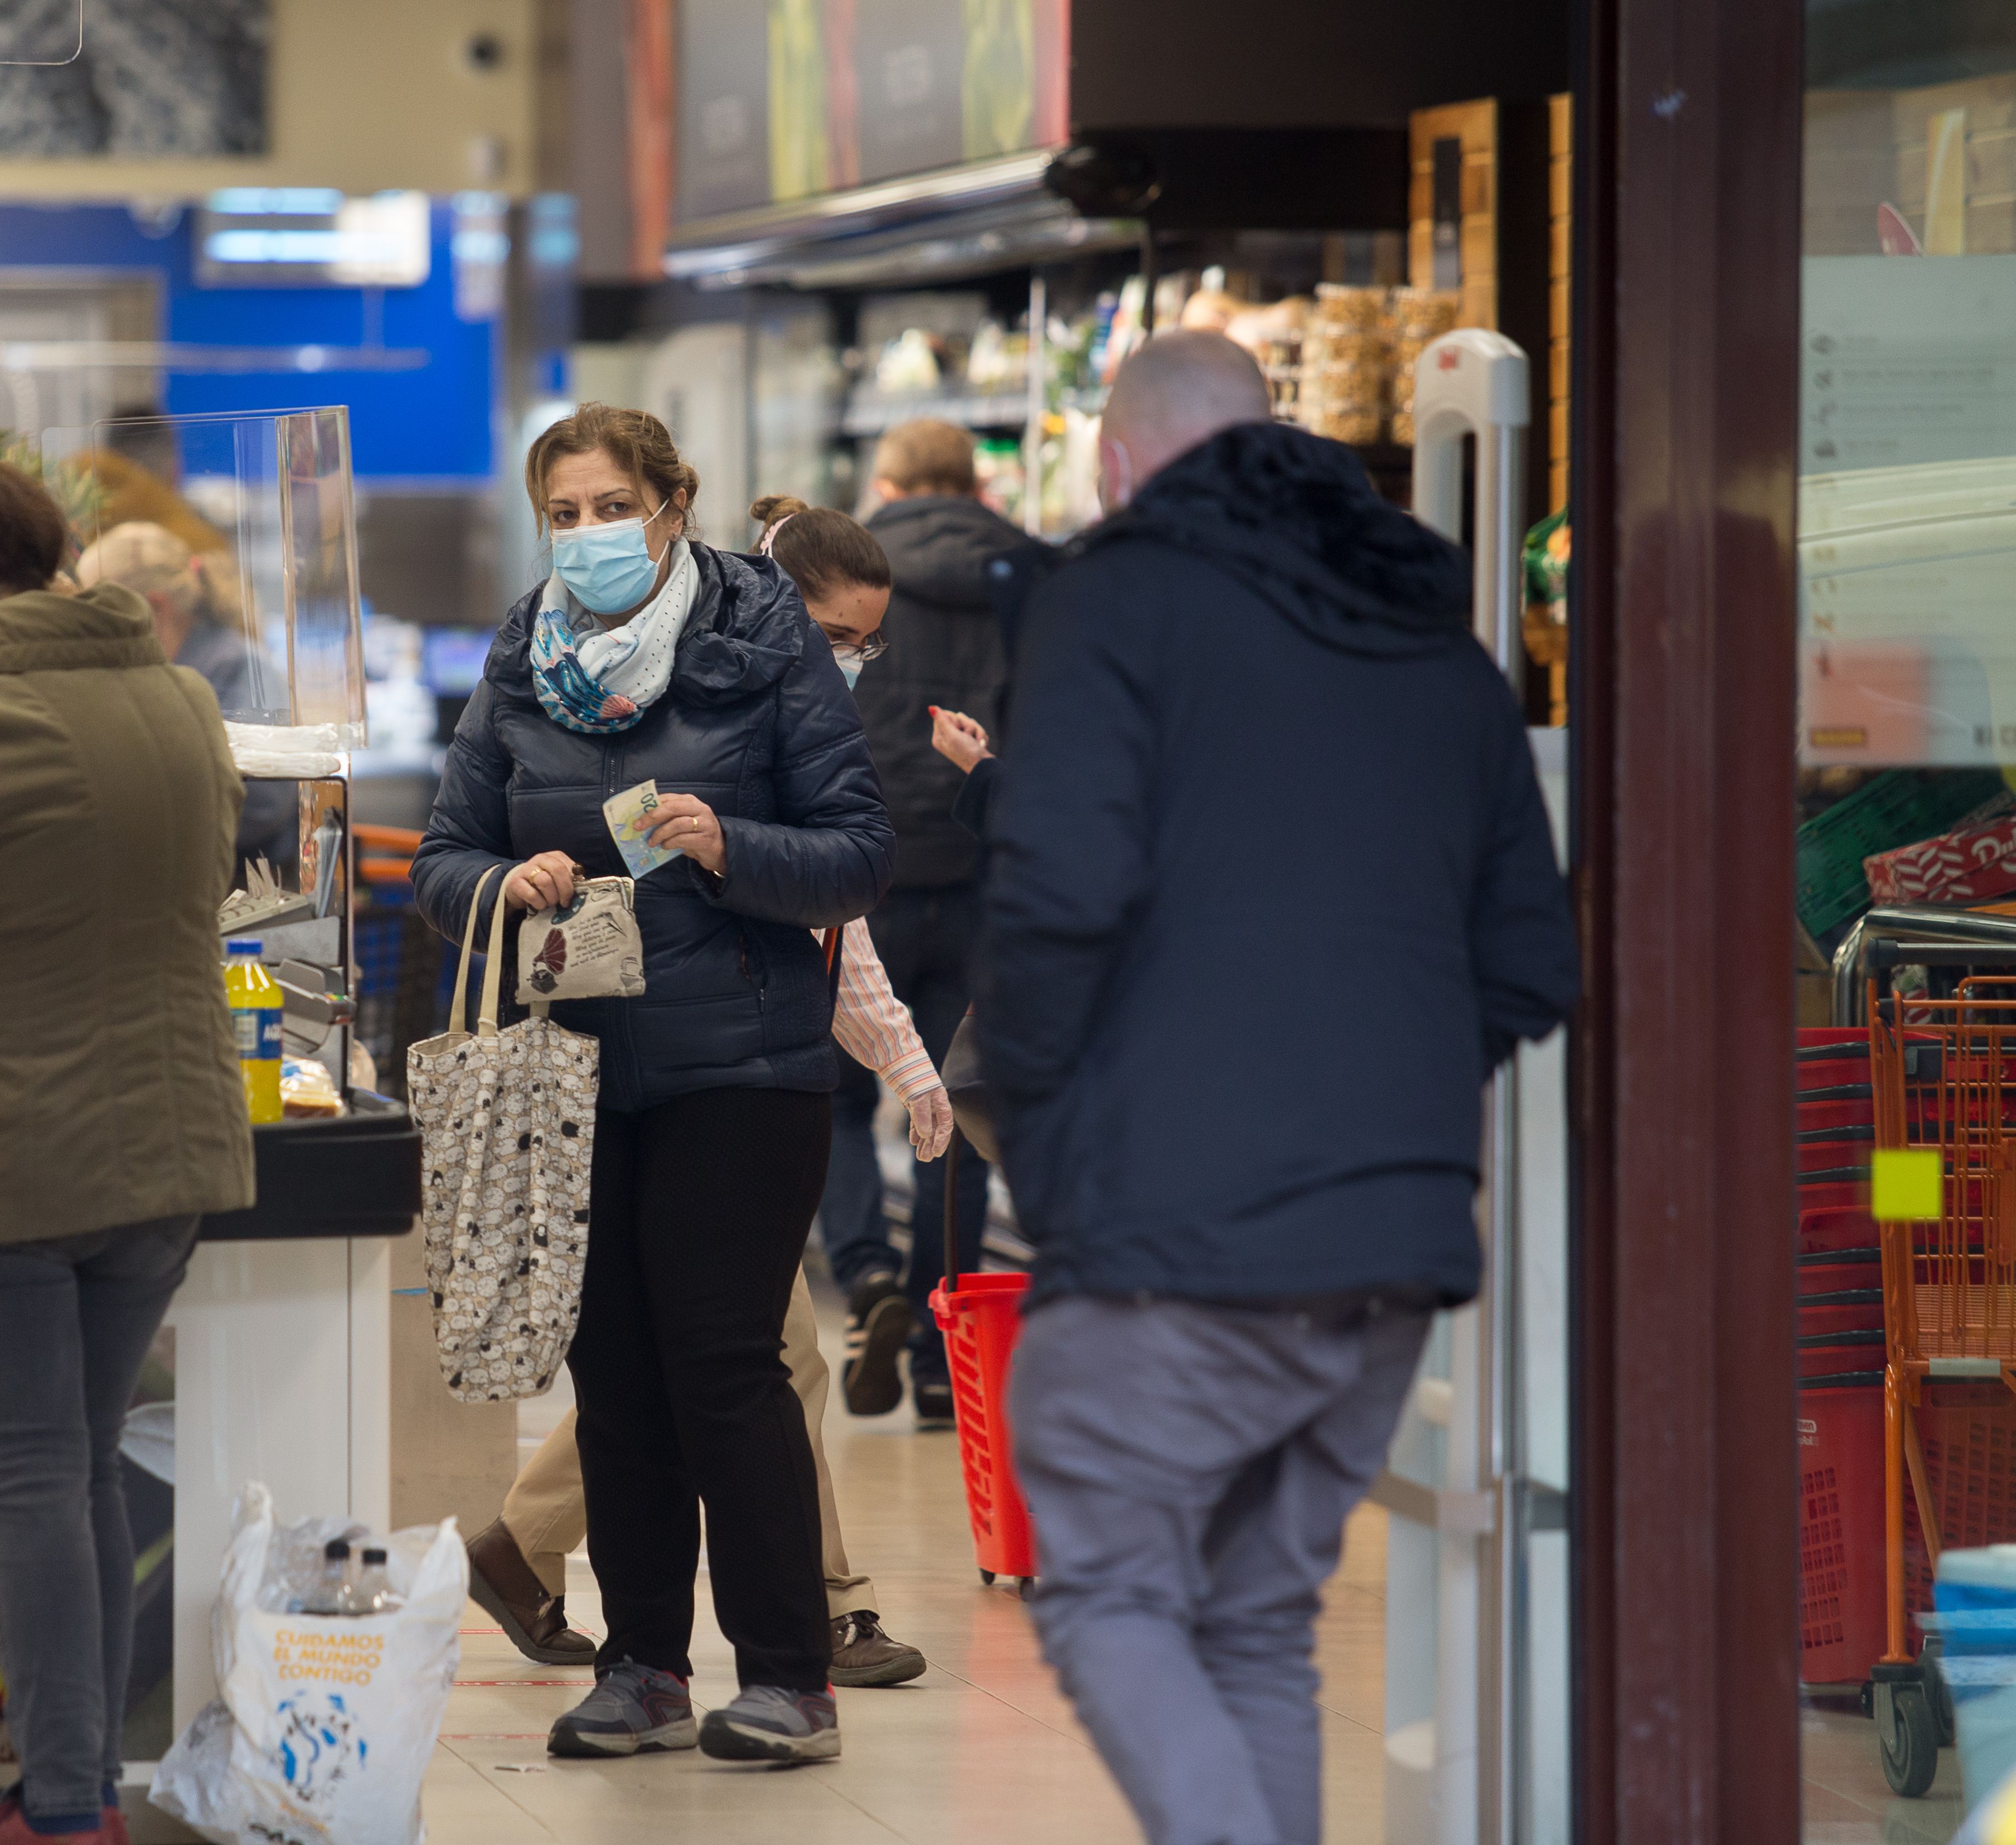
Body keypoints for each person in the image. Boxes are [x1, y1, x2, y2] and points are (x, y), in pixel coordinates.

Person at [980, 330, 1578, 1845]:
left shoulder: (1108, 597)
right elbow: (1528, 965)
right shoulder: (1436, 643)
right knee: (1254, 1621)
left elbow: (1054, 900)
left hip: (1172, 1241)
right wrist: (1378, 1118)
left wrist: (1044, 1156)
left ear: (1115, 466)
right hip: (1387, 1254)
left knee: (1110, 1590)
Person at [411, 404, 892, 1765]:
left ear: (675, 503)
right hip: (576, 1071)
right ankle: (641, 1665)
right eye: (562, 513)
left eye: (610, 505)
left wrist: (732, 843)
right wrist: (505, 883)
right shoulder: (523, 653)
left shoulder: (764, 636)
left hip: (742, 1061)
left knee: (724, 1365)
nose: (587, 535)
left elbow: (858, 851)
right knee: (612, 1376)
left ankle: (791, 1674)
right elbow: (444, 853)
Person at [0, 461, 255, 1845]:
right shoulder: (182, 698)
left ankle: (61, 1809)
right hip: (168, 1147)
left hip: (2, 1158)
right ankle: (88, 1780)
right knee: (88, 1465)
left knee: (33, 1476)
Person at [828, 419, 1042, 1424]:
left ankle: (863, 1270)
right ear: (974, 484)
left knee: (833, 1092)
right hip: (975, 873)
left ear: (887, 482)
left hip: (855, 872)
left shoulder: (843, 573)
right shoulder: (1034, 578)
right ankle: (931, 1345)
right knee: (950, 1104)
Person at [75, 520, 297, 870]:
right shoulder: (179, 668)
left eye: (94, 616)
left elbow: (264, 802)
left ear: (154, 609)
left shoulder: (237, 669)